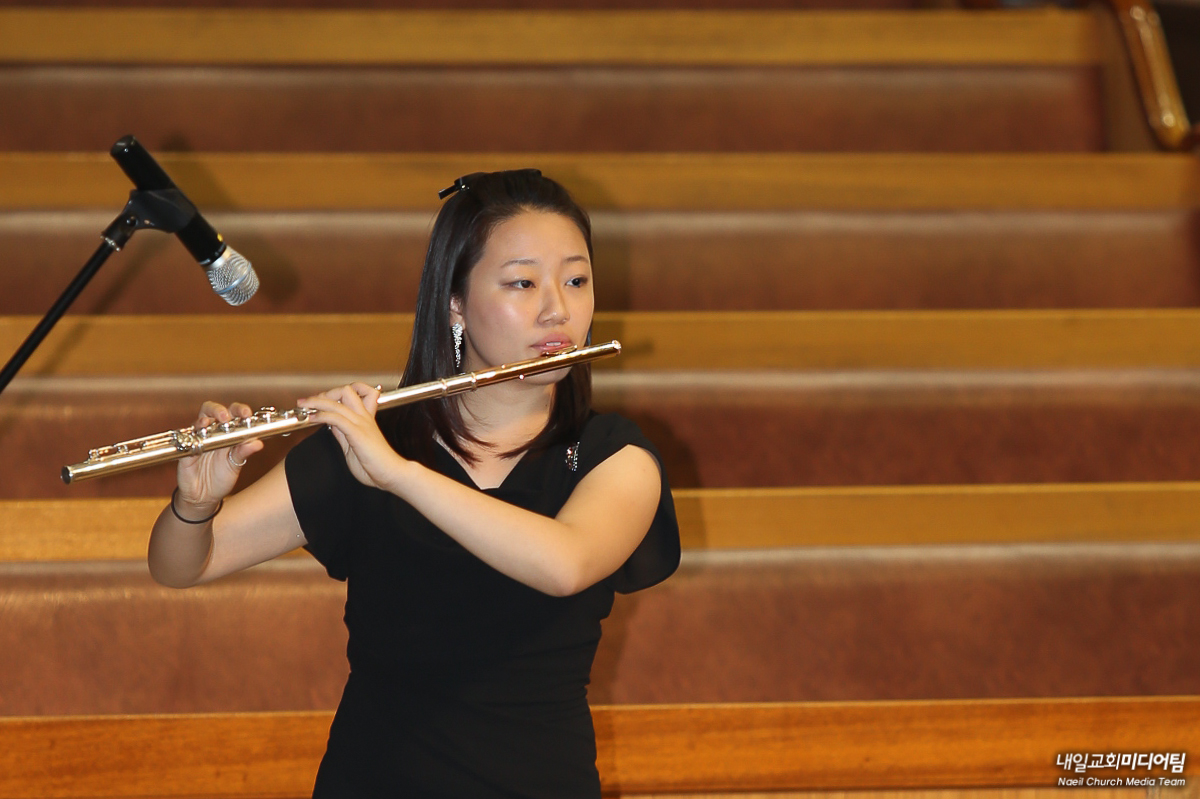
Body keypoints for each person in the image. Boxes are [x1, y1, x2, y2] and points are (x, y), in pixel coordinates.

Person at [146, 168, 681, 798]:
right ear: (455, 303)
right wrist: (196, 502)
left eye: (576, 280)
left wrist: (399, 477)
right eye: (522, 282)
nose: (557, 309)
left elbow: (563, 564)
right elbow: (184, 565)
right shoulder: (375, 444)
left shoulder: (613, 456)